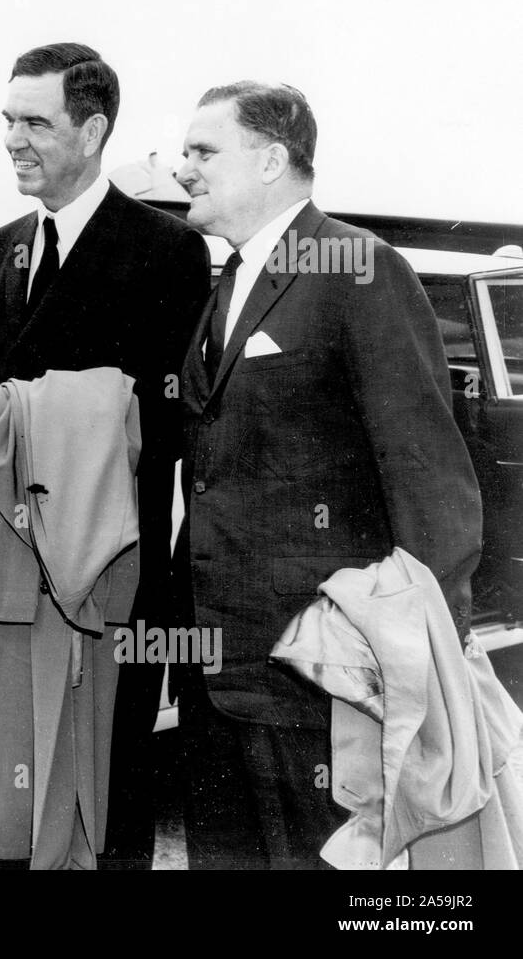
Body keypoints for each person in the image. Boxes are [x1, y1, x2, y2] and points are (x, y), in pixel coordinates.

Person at [172, 80, 482, 868]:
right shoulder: (229, 283)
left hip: (318, 677)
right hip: (218, 670)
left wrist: (419, 658)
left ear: (273, 158)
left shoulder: (358, 267)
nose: (184, 170)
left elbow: (427, 475)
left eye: (204, 150)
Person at [0, 42, 209, 868]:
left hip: (103, 577)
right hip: (2, 577)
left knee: (101, 798)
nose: (13, 138)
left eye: (35, 122)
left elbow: (165, 421)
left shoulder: (167, 251)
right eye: (7, 120)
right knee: (9, 805)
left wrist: (35, 416)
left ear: (92, 129)